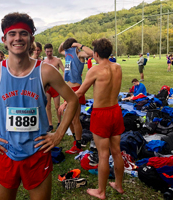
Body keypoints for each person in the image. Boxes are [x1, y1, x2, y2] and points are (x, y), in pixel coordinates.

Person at [0, 12, 78, 200]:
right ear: (4, 39)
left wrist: (58, 135)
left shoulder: (46, 71)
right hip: (4, 151)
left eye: (24, 33)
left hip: (38, 153)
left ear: (31, 38)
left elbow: (72, 100)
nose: (18, 38)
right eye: (13, 33)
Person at [62, 38, 125, 199]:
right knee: (116, 152)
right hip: (116, 111)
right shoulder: (118, 67)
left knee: (103, 154)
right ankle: (119, 185)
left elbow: (80, 92)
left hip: (101, 114)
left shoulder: (95, 70)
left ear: (96, 54)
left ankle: (101, 191)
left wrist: (65, 103)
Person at [58, 38, 93, 154]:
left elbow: (91, 53)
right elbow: (59, 50)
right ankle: (76, 140)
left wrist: (78, 44)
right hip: (67, 89)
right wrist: (64, 43)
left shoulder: (79, 54)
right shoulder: (67, 53)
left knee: (75, 118)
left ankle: (78, 145)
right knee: (69, 118)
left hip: (76, 89)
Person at [43, 43, 65, 132]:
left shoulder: (58, 60)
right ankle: (50, 124)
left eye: (50, 51)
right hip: (48, 87)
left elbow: (64, 71)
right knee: (47, 106)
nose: (49, 53)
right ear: (45, 52)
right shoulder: (43, 62)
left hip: (56, 86)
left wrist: (62, 80)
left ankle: (59, 122)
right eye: (47, 51)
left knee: (57, 106)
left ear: (53, 51)